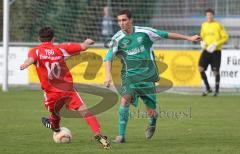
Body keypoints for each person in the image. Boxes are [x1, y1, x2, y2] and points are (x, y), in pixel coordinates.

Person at [104, 9, 201, 143]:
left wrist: (189, 38)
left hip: (146, 76)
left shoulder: (145, 32)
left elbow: (166, 34)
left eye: (124, 20)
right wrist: (107, 75)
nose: (122, 23)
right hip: (129, 76)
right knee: (125, 100)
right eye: (119, 21)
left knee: (151, 111)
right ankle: (121, 136)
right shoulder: (117, 38)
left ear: (131, 20)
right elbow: (108, 57)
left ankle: (152, 122)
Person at [20, 26, 111, 149]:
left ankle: (54, 126)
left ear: (39, 38)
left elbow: (31, 59)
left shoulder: (35, 51)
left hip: (51, 93)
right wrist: (88, 41)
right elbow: (83, 47)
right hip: (67, 90)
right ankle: (99, 136)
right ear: (53, 38)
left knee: (55, 116)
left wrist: (26, 64)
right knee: (85, 111)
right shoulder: (60, 48)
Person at [199, 8, 228, 97]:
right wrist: (202, 42)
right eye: (207, 15)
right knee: (200, 68)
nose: (209, 16)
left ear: (213, 15)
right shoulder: (203, 25)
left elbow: (225, 37)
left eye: (210, 15)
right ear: (205, 16)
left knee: (215, 71)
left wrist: (216, 44)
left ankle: (217, 90)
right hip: (206, 50)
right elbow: (201, 36)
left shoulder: (218, 25)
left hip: (216, 51)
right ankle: (208, 88)